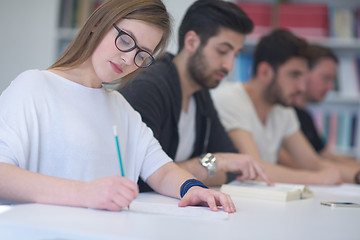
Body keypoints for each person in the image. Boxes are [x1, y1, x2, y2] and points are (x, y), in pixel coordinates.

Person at [0, 0, 236, 213]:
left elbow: (162, 170)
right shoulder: (33, 87)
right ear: (98, 24)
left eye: (142, 55)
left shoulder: (121, 108)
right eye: (125, 40)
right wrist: (85, 193)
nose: (128, 59)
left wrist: (193, 189)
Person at [120, 0, 271, 192]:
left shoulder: (200, 94)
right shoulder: (147, 88)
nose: (229, 66)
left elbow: (233, 168)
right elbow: (140, 176)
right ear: (191, 42)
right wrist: (213, 163)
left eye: (235, 55)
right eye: (222, 51)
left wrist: (205, 167)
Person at [212, 29, 342, 185]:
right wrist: (316, 178)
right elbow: (255, 168)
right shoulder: (229, 98)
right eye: (294, 75)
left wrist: (355, 175)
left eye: (303, 77)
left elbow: (313, 163)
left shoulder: (283, 108)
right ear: (265, 71)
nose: (301, 87)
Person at [278, 44, 360, 184]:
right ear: (305, 73)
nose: (330, 87)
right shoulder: (282, 111)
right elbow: (299, 165)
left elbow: (325, 157)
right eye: (326, 78)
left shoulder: (305, 116)